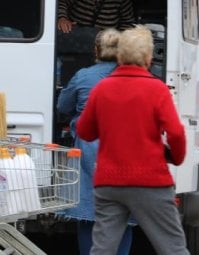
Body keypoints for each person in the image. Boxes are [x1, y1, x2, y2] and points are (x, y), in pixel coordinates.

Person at [76, 26, 188, 255]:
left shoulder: (102, 89)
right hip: (151, 182)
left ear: (120, 56)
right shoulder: (157, 89)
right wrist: (175, 157)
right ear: (148, 58)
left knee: (103, 248)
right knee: (172, 247)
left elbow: (85, 131)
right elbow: (175, 133)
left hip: (109, 183)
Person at [57, 28, 133, 255]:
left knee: (88, 211)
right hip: (125, 148)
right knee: (123, 214)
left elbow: (63, 106)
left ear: (95, 51)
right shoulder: (133, 77)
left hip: (89, 148)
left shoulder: (83, 76)